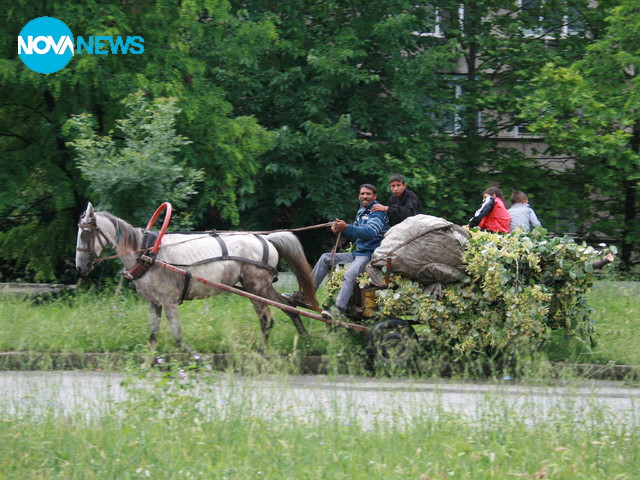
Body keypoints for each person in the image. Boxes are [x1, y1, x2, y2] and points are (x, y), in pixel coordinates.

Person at [287, 184, 389, 320]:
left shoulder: (377, 211)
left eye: (368, 194)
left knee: (351, 273)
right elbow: (357, 232)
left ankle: (338, 309)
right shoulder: (362, 211)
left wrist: (347, 227)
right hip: (358, 253)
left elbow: (371, 232)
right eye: (362, 194)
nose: (365, 196)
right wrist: (341, 229)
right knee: (325, 258)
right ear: (359, 196)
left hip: (370, 254)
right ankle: (306, 295)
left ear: (374, 196)